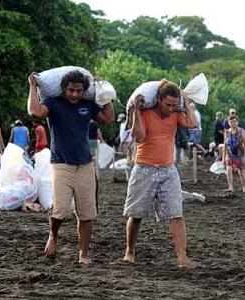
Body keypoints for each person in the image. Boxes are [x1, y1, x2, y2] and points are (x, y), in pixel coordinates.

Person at [27, 70, 114, 264]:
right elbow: (35, 112)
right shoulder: (53, 103)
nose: (74, 95)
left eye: (79, 91)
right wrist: (32, 87)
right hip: (61, 164)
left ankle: (83, 254)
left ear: (84, 91)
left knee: (86, 213)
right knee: (61, 210)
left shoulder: (88, 105)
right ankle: (53, 235)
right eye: (71, 90)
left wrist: (104, 93)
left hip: (85, 164)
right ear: (63, 89)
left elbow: (108, 118)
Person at [123, 82, 198, 268]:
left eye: (174, 105)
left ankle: (182, 258)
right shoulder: (145, 113)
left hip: (168, 169)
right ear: (158, 100)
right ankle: (129, 252)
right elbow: (139, 137)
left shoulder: (176, 115)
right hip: (143, 168)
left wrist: (186, 100)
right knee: (136, 214)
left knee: (176, 214)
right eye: (168, 104)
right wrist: (137, 113)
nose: (171, 109)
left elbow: (193, 123)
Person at [223, 115, 245, 194]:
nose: (233, 123)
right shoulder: (227, 132)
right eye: (231, 121)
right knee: (228, 169)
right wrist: (223, 157)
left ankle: (244, 187)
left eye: (234, 121)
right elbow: (225, 144)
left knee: (241, 171)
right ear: (228, 123)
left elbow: (244, 142)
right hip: (229, 153)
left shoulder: (241, 131)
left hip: (240, 152)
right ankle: (231, 187)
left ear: (237, 122)